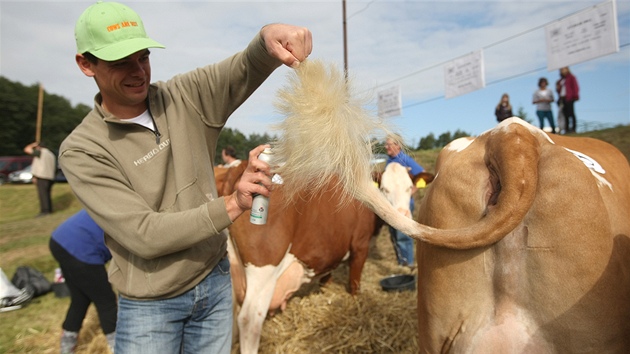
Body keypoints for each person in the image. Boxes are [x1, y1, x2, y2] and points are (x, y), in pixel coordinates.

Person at [58, 2, 311, 353]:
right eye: (120, 62)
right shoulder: (83, 150)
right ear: (86, 64)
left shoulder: (183, 97)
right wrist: (233, 203)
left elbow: (242, 68)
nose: (138, 71)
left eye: (143, 57)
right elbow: (143, 234)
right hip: (152, 305)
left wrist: (267, 39)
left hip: (215, 285)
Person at [49, 210, 117, 354]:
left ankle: (66, 346)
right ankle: (117, 346)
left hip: (60, 239)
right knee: (106, 301)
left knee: (80, 298)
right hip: (81, 247)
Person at [384, 135, 424, 268]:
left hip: (403, 206)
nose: (386, 147)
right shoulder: (389, 161)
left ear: (398, 146)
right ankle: (401, 262)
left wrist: (412, 191)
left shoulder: (404, 159)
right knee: (394, 235)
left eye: (389, 144)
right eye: (386, 144)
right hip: (391, 206)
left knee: (403, 236)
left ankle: (408, 264)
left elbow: (422, 174)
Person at [23, 142, 57, 217]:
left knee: (43, 195)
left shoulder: (40, 152)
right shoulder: (51, 154)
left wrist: (32, 145)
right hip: (50, 176)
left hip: (42, 176)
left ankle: (45, 211)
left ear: (39, 147)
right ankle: (49, 210)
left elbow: (27, 149)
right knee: (47, 194)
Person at [556, 66, 579, 133]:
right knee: (565, 114)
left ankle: (573, 128)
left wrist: (575, 95)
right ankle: (567, 128)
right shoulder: (561, 80)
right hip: (562, 98)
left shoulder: (571, 77)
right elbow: (559, 90)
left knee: (571, 113)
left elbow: (575, 86)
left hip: (569, 97)